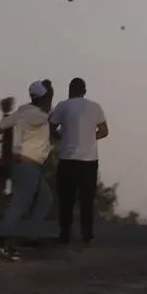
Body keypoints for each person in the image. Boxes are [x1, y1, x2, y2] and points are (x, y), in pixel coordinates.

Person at [0, 81, 54, 248]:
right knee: (20, 202)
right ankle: (1, 236)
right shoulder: (36, 114)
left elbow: (1, 126)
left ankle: (32, 237)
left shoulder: (23, 111)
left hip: (30, 166)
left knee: (44, 198)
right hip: (26, 165)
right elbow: (50, 119)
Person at [49, 77, 108, 245]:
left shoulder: (63, 106)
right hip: (89, 160)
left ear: (70, 90)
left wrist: (61, 137)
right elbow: (104, 131)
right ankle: (87, 235)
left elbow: (51, 127)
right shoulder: (95, 107)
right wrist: (90, 137)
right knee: (87, 199)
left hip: (68, 159)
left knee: (66, 199)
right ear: (85, 91)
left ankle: (65, 234)